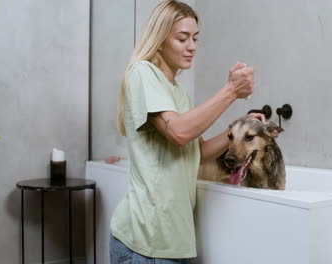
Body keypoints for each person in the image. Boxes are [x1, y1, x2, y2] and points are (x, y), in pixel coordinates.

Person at [110, 0, 264, 263]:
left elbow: (199, 152)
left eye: (195, 38)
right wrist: (230, 91)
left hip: (174, 242)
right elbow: (179, 133)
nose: (192, 46)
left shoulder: (178, 92)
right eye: (182, 38)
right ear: (160, 39)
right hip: (145, 243)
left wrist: (239, 128)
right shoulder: (142, 73)